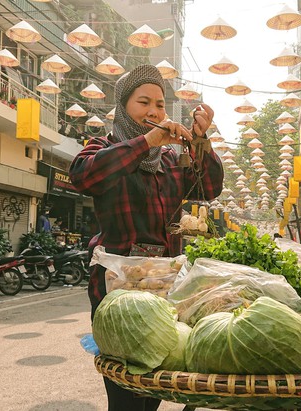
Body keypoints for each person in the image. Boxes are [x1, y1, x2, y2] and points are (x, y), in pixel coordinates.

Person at [69, 64, 223, 411]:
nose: (154, 111)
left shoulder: (170, 160)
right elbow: (84, 177)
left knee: (154, 382)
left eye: (160, 104)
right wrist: (147, 141)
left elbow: (209, 187)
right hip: (115, 289)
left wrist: (200, 140)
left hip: (161, 286)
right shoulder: (101, 147)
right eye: (143, 103)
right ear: (123, 107)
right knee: (125, 392)